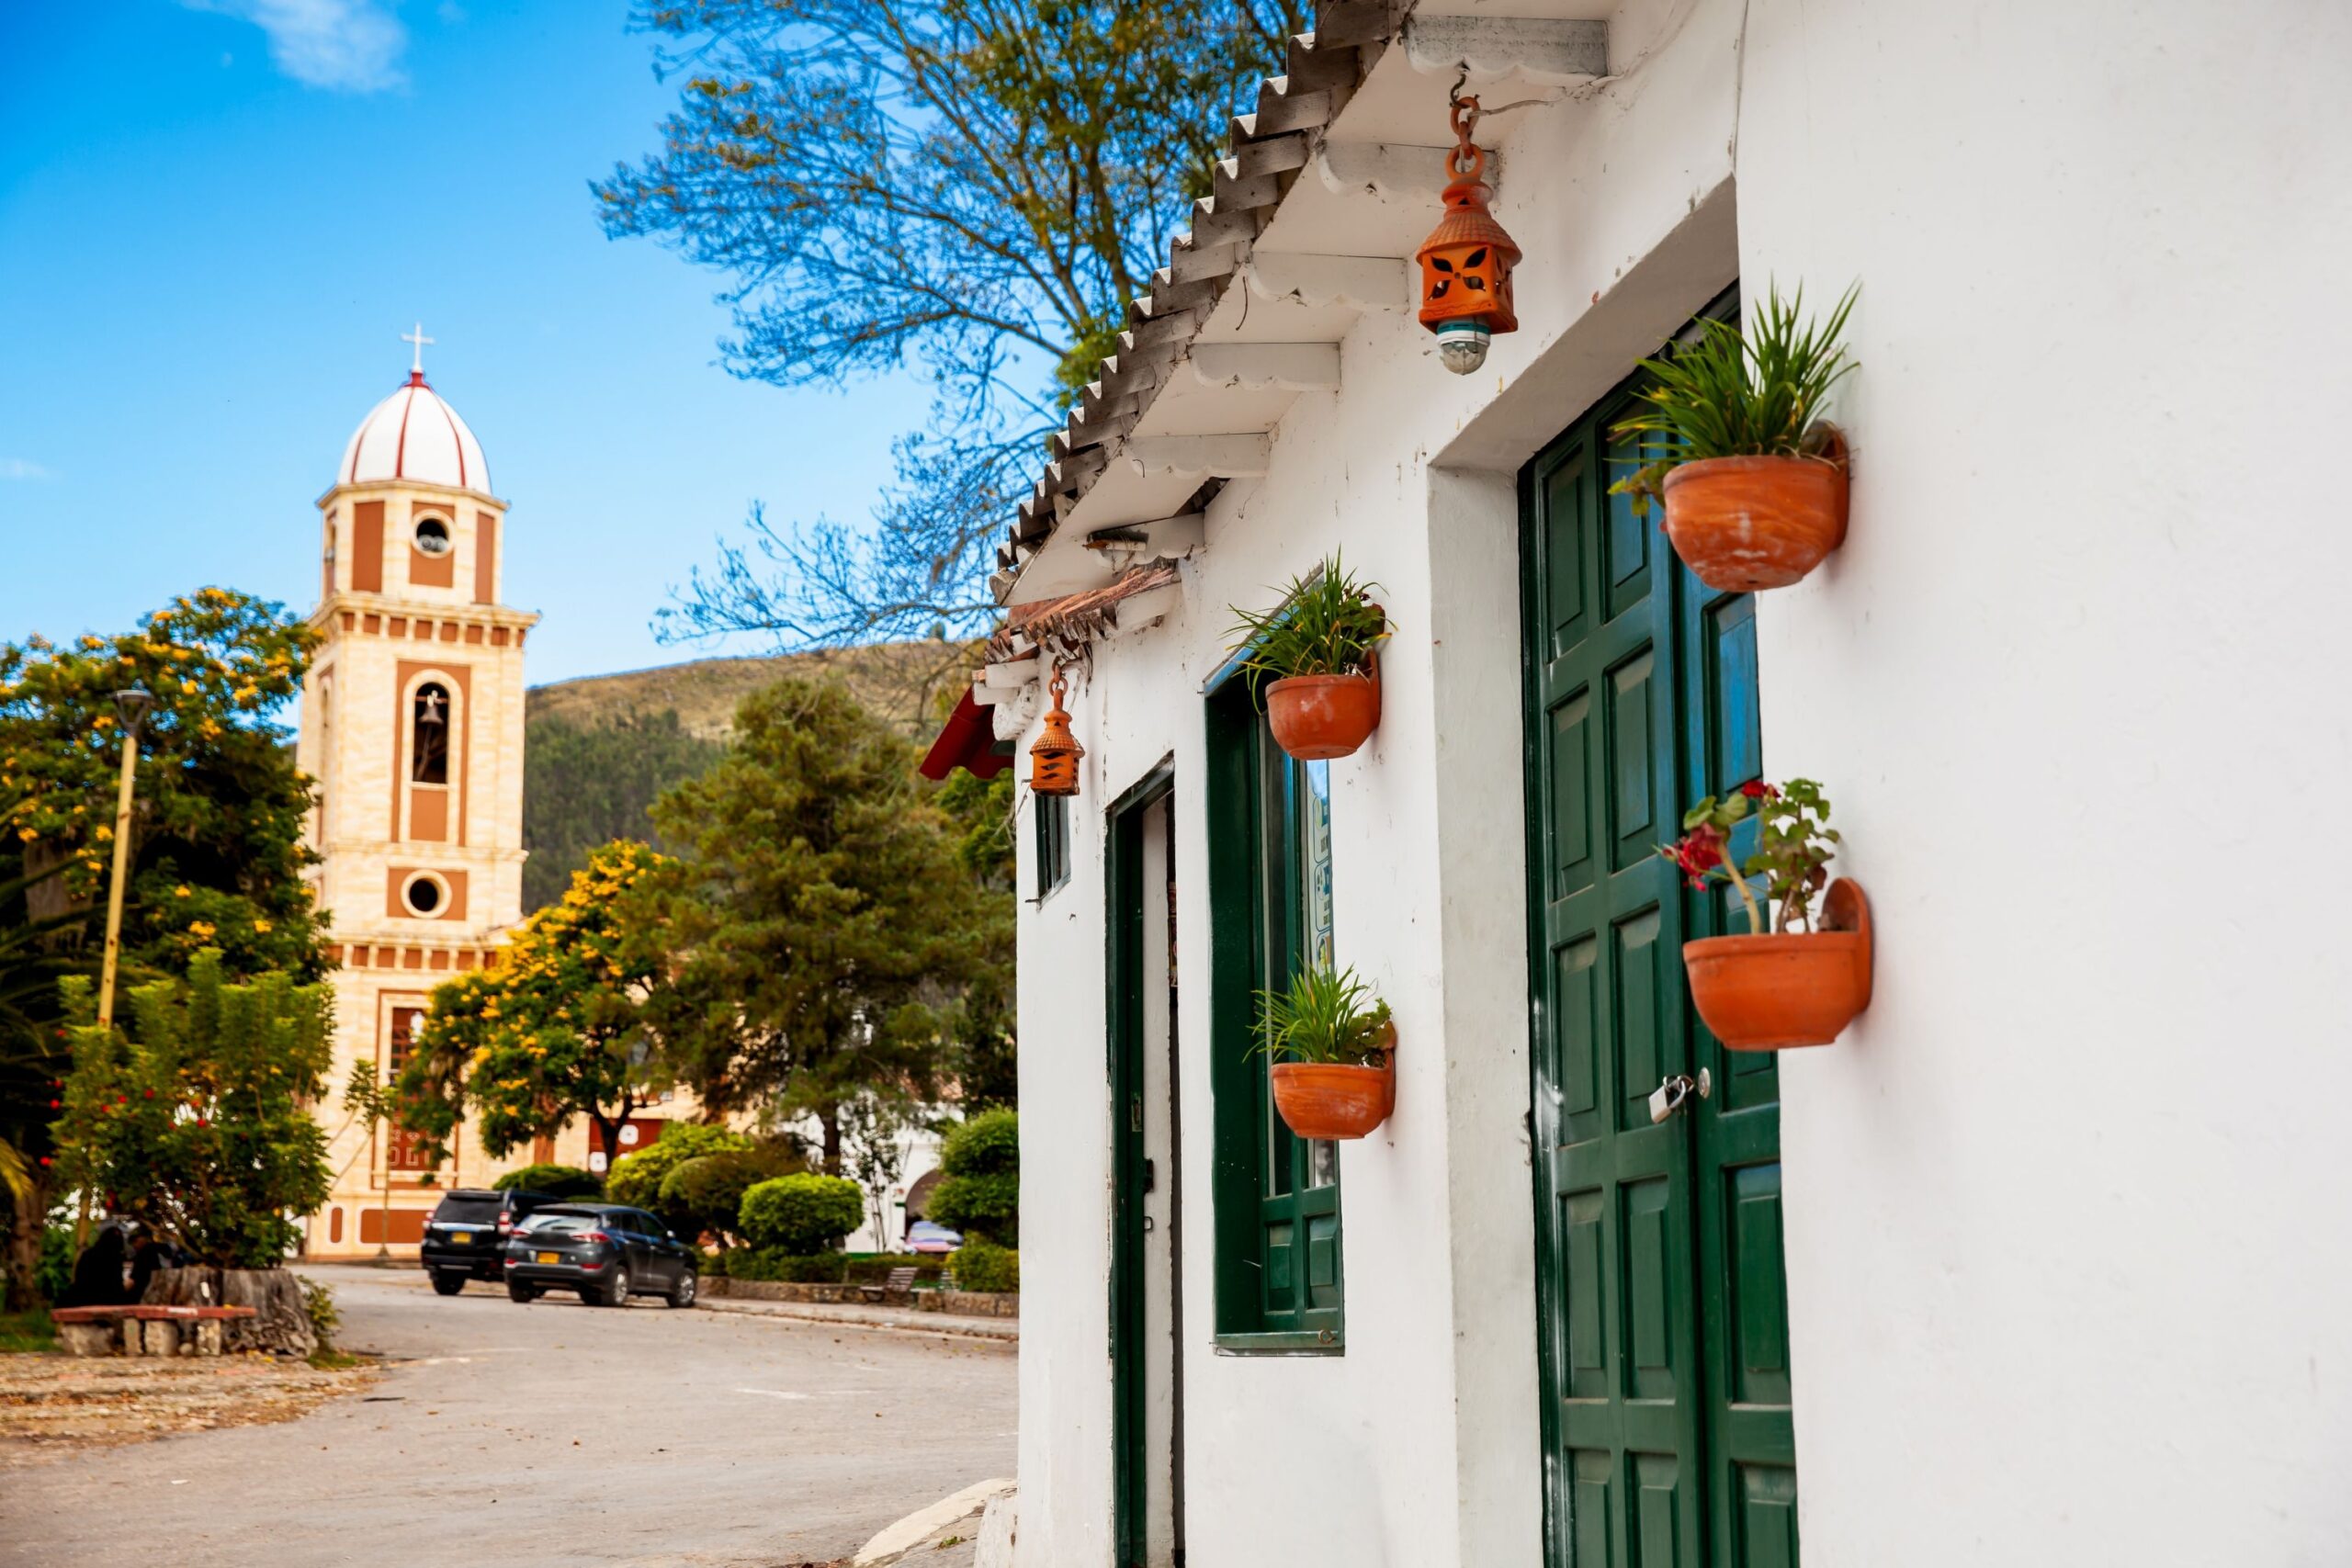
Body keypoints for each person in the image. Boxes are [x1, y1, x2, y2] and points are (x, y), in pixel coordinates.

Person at [57, 1223, 131, 1308]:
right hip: (108, 1300)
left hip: (84, 1299)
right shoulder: (116, 1258)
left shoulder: (88, 1254)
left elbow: (79, 1278)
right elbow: (117, 1284)